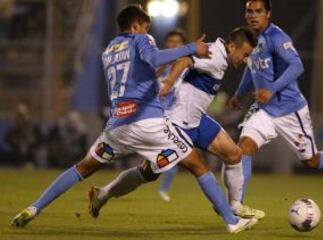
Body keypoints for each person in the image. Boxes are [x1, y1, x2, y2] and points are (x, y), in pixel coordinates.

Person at [12, 5, 257, 233]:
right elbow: (153, 59)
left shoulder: (109, 51)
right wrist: (191, 48)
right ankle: (232, 221)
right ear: (137, 26)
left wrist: (165, 72)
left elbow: (144, 70)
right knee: (197, 163)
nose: (148, 32)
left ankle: (35, 206)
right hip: (147, 121)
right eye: (146, 27)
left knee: (83, 167)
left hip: (117, 125)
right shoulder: (142, 39)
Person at [87, 26, 265, 220]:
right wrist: (170, 82)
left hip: (196, 121)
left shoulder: (219, 54)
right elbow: (184, 60)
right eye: (245, 54)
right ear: (232, 46)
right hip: (176, 124)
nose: (246, 59)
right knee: (148, 173)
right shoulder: (214, 54)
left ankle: (235, 207)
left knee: (234, 155)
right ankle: (103, 194)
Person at [227, 0, 323, 214]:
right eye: (249, 11)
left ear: (268, 14)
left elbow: (297, 65)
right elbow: (251, 66)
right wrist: (239, 92)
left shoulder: (277, 37)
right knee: (244, 148)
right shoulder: (250, 39)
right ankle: (237, 207)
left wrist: (271, 88)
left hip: (290, 111)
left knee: (311, 161)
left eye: (258, 11)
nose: (253, 15)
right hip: (265, 110)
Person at [156, 29, 187, 202]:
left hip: (174, 116)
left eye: (178, 42)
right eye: (171, 41)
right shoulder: (157, 61)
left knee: (174, 154)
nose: (174, 45)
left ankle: (163, 190)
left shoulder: (188, 65)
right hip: (151, 114)